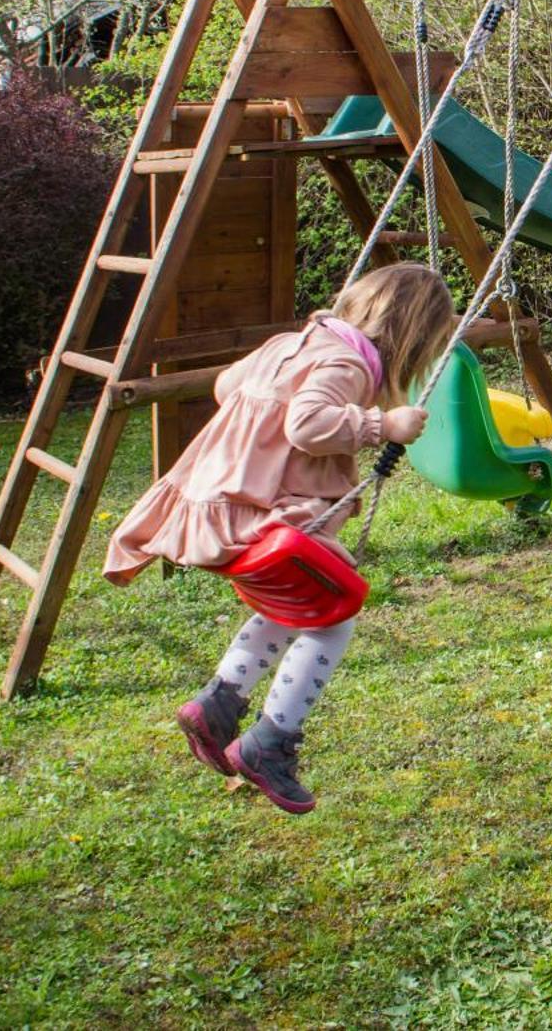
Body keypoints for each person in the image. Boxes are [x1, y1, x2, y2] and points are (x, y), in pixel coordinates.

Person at [103, 263, 455, 812]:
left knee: (297, 604)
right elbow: (307, 427)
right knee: (334, 618)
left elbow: (225, 387)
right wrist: (381, 426)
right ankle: (271, 742)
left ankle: (217, 704)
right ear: (412, 337)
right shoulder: (345, 363)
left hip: (213, 507)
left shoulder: (290, 343)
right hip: (257, 516)